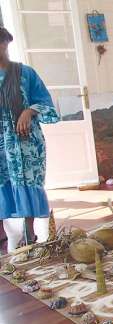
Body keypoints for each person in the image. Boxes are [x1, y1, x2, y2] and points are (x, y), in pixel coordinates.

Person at [0, 27, 59, 252]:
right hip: (0, 144)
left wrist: (29, 111)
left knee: (26, 183)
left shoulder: (25, 73)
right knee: (3, 185)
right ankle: (8, 236)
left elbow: (47, 104)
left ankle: (29, 234)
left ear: (6, 43)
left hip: (25, 144)